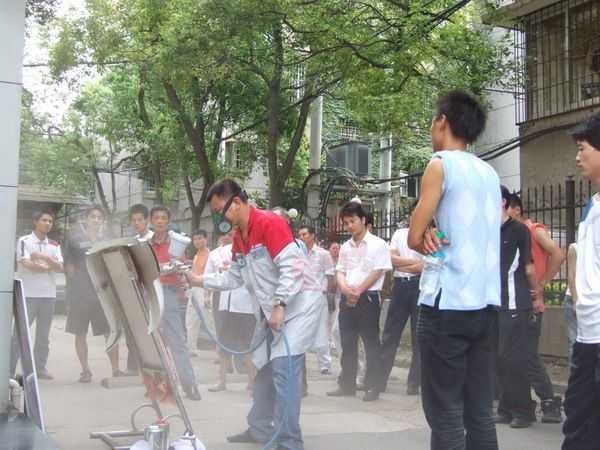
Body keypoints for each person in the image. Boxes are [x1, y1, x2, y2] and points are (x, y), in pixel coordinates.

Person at [185, 179, 322, 450]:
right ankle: (259, 428)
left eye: (219, 211)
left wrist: (280, 305)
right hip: (274, 309)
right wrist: (198, 280)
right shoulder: (240, 236)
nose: (218, 218)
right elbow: (233, 277)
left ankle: (289, 442)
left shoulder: (270, 223)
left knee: (284, 370)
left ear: (236, 203)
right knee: (264, 368)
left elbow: (293, 268)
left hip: (298, 304)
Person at [408, 90, 501, 449]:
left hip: (446, 305)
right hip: (485, 306)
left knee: (444, 411)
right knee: (479, 411)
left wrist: (426, 231)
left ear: (442, 122)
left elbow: (414, 237)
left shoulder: (440, 164)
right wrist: (436, 230)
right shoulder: (489, 172)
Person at [327, 201, 392, 402]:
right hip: (347, 298)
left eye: (352, 221)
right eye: (346, 223)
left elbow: (378, 271)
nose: (349, 226)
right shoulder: (346, 247)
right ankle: (347, 384)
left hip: (368, 298)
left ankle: (373, 386)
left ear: (363, 220)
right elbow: (340, 271)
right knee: (347, 342)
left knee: (370, 342)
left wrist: (359, 290)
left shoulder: (378, 244)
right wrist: (346, 289)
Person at [562, 113, 600, 450]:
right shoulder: (593, 206)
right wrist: (576, 296)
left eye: (582, 148)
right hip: (588, 335)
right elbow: (577, 255)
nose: (577, 157)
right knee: (578, 419)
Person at [508, 193, 563, 423]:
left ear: (516, 209)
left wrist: (541, 284)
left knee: (527, 355)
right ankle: (523, 405)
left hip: (531, 303)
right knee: (515, 356)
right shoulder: (509, 234)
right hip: (514, 303)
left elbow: (557, 253)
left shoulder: (533, 230)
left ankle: (549, 401)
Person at [494, 186, 543, 429]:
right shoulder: (488, 230)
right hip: (495, 302)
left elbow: (529, 267)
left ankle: (524, 411)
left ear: (502, 202)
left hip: (516, 302)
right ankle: (505, 408)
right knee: (499, 358)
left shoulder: (519, 230)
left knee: (514, 359)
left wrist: (536, 295)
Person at [64, 205, 124, 383]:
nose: (96, 220)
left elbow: (113, 263)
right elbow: (69, 266)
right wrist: (73, 288)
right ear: (86, 218)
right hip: (80, 295)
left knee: (109, 332)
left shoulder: (107, 240)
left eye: (99, 217)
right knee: (80, 333)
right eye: (93, 216)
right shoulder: (75, 239)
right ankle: (85, 371)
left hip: (102, 294)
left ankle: (116, 370)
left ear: (102, 220)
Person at [149, 205, 200, 400]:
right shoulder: (146, 245)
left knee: (177, 340)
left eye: (163, 218)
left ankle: (189, 385)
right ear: (151, 221)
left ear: (168, 221)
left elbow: (181, 267)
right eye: (156, 217)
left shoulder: (177, 243)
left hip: (169, 293)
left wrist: (172, 268)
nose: (160, 221)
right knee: (153, 342)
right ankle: (157, 385)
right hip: (150, 294)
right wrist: (161, 268)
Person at [10, 210, 64, 380]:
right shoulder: (24, 241)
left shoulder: (54, 245)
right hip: (27, 294)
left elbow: (60, 268)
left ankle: (40, 368)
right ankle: (9, 370)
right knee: (19, 334)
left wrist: (42, 257)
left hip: (48, 295)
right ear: (35, 222)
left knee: (43, 336)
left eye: (50, 221)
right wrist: (47, 265)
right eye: (44, 220)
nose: (48, 223)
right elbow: (25, 263)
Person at [204, 230, 256, 392]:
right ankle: (221, 381)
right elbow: (211, 275)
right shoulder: (219, 252)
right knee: (224, 344)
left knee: (248, 345)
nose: (235, 235)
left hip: (246, 305)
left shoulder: (253, 250)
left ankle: (253, 381)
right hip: (226, 303)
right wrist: (207, 294)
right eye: (232, 233)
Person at [380, 209, 423, 396]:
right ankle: (380, 379)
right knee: (390, 334)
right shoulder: (399, 234)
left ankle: (414, 383)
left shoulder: (428, 236)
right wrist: (413, 264)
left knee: (418, 337)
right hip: (400, 286)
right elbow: (391, 260)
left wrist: (402, 263)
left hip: (420, 286)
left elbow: (426, 266)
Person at [298, 225, 335, 375]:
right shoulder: (297, 254)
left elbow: (330, 275)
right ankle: (299, 363)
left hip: (317, 295)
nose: (301, 237)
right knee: (299, 330)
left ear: (313, 235)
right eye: (300, 235)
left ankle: (325, 364)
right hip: (300, 296)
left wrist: (326, 292)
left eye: (304, 234)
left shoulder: (323, 254)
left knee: (321, 330)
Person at [186, 229, 210, 355]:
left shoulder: (211, 255)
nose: (197, 241)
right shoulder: (196, 256)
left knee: (210, 322)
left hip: (205, 289)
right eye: (195, 239)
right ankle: (191, 349)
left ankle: (221, 352)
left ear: (206, 239)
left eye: (200, 238)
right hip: (194, 289)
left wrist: (208, 294)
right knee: (191, 321)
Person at [563, 243, 577, 366]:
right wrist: (576, 300)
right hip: (575, 298)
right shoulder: (575, 248)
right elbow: (571, 276)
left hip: (594, 300)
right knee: (575, 341)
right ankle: (576, 374)